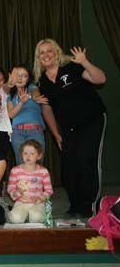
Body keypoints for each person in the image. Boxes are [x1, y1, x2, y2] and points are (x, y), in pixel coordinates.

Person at [34, 39, 107, 217]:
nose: (46, 55)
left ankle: (91, 206)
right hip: (69, 128)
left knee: (85, 160)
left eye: (49, 51)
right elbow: (47, 110)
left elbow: (101, 79)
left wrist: (85, 62)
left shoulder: (72, 67)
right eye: (42, 53)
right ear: (38, 58)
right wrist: (56, 134)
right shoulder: (42, 81)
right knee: (69, 167)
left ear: (56, 52)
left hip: (92, 120)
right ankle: (76, 206)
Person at [7, 65, 47, 165]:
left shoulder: (31, 88)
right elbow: (11, 114)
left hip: (35, 131)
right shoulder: (10, 95)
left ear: (28, 78)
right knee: (21, 164)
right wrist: (21, 103)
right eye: (18, 75)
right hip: (17, 133)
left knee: (37, 164)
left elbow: (35, 93)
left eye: (24, 76)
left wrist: (36, 97)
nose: (20, 78)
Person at [7, 140, 53, 224]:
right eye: (25, 153)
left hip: (37, 203)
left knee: (36, 218)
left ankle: (31, 215)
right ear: (21, 155)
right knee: (15, 219)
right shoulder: (15, 171)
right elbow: (10, 188)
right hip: (21, 202)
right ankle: (23, 215)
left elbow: (49, 190)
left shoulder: (43, 171)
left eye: (32, 153)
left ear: (39, 156)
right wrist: (16, 193)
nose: (28, 156)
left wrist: (41, 198)